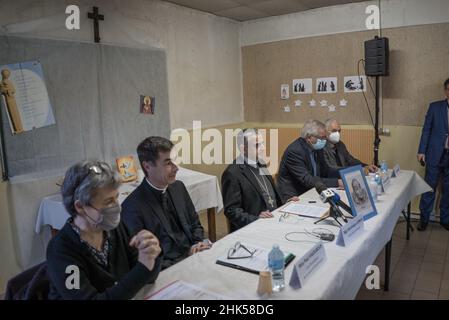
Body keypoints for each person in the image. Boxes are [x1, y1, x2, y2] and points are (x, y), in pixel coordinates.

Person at [46, 161, 162, 300]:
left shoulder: (115, 228)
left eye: (116, 198)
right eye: (108, 202)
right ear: (80, 207)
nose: (117, 207)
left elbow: (146, 278)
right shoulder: (61, 250)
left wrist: (150, 253)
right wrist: (143, 267)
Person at [121, 136, 210, 269]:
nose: (176, 168)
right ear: (147, 166)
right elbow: (141, 259)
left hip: (195, 257)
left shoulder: (178, 187)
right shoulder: (132, 207)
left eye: (175, 161)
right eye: (168, 163)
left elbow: (195, 223)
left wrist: (198, 244)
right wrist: (184, 260)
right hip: (166, 270)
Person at [221, 129, 298, 232]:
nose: (263, 148)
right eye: (257, 145)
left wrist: (285, 203)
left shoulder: (261, 162)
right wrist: (256, 219)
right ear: (243, 149)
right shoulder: (232, 173)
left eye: (262, 143)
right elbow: (231, 211)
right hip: (253, 228)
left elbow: (269, 192)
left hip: (275, 219)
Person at [277, 119, 343, 201]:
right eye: (321, 138)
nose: (324, 141)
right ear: (309, 137)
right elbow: (307, 179)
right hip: (294, 195)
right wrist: (337, 183)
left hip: (311, 190)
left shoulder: (317, 147)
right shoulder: (295, 151)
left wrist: (345, 173)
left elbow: (326, 170)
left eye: (325, 137)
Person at [417, 78, 449, 232]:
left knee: (448, 190)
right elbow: (426, 130)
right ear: (445, 90)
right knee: (429, 187)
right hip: (435, 154)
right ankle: (424, 218)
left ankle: (445, 218)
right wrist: (421, 151)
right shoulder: (435, 107)